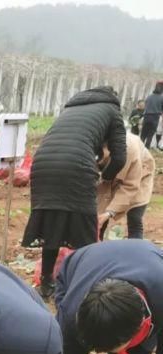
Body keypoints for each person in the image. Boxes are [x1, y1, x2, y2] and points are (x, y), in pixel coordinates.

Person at [22, 86, 126, 301]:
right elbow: (119, 158)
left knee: (51, 226)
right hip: (76, 165)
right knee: (85, 232)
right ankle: (85, 287)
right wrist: (105, 177)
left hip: (42, 164)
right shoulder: (112, 110)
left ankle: (46, 284)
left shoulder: (71, 109)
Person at [97, 133, 154, 240]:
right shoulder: (93, 145)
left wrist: (110, 212)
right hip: (110, 171)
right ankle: (95, 245)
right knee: (99, 214)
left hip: (141, 173)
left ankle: (135, 249)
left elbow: (130, 186)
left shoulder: (129, 150)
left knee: (134, 217)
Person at [140, 82, 163, 148]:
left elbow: (145, 105)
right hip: (155, 117)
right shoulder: (161, 98)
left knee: (143, 134)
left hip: (146, 116)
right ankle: (147, 148)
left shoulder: (149, 96)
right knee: (150, 134)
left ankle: (140, 147)